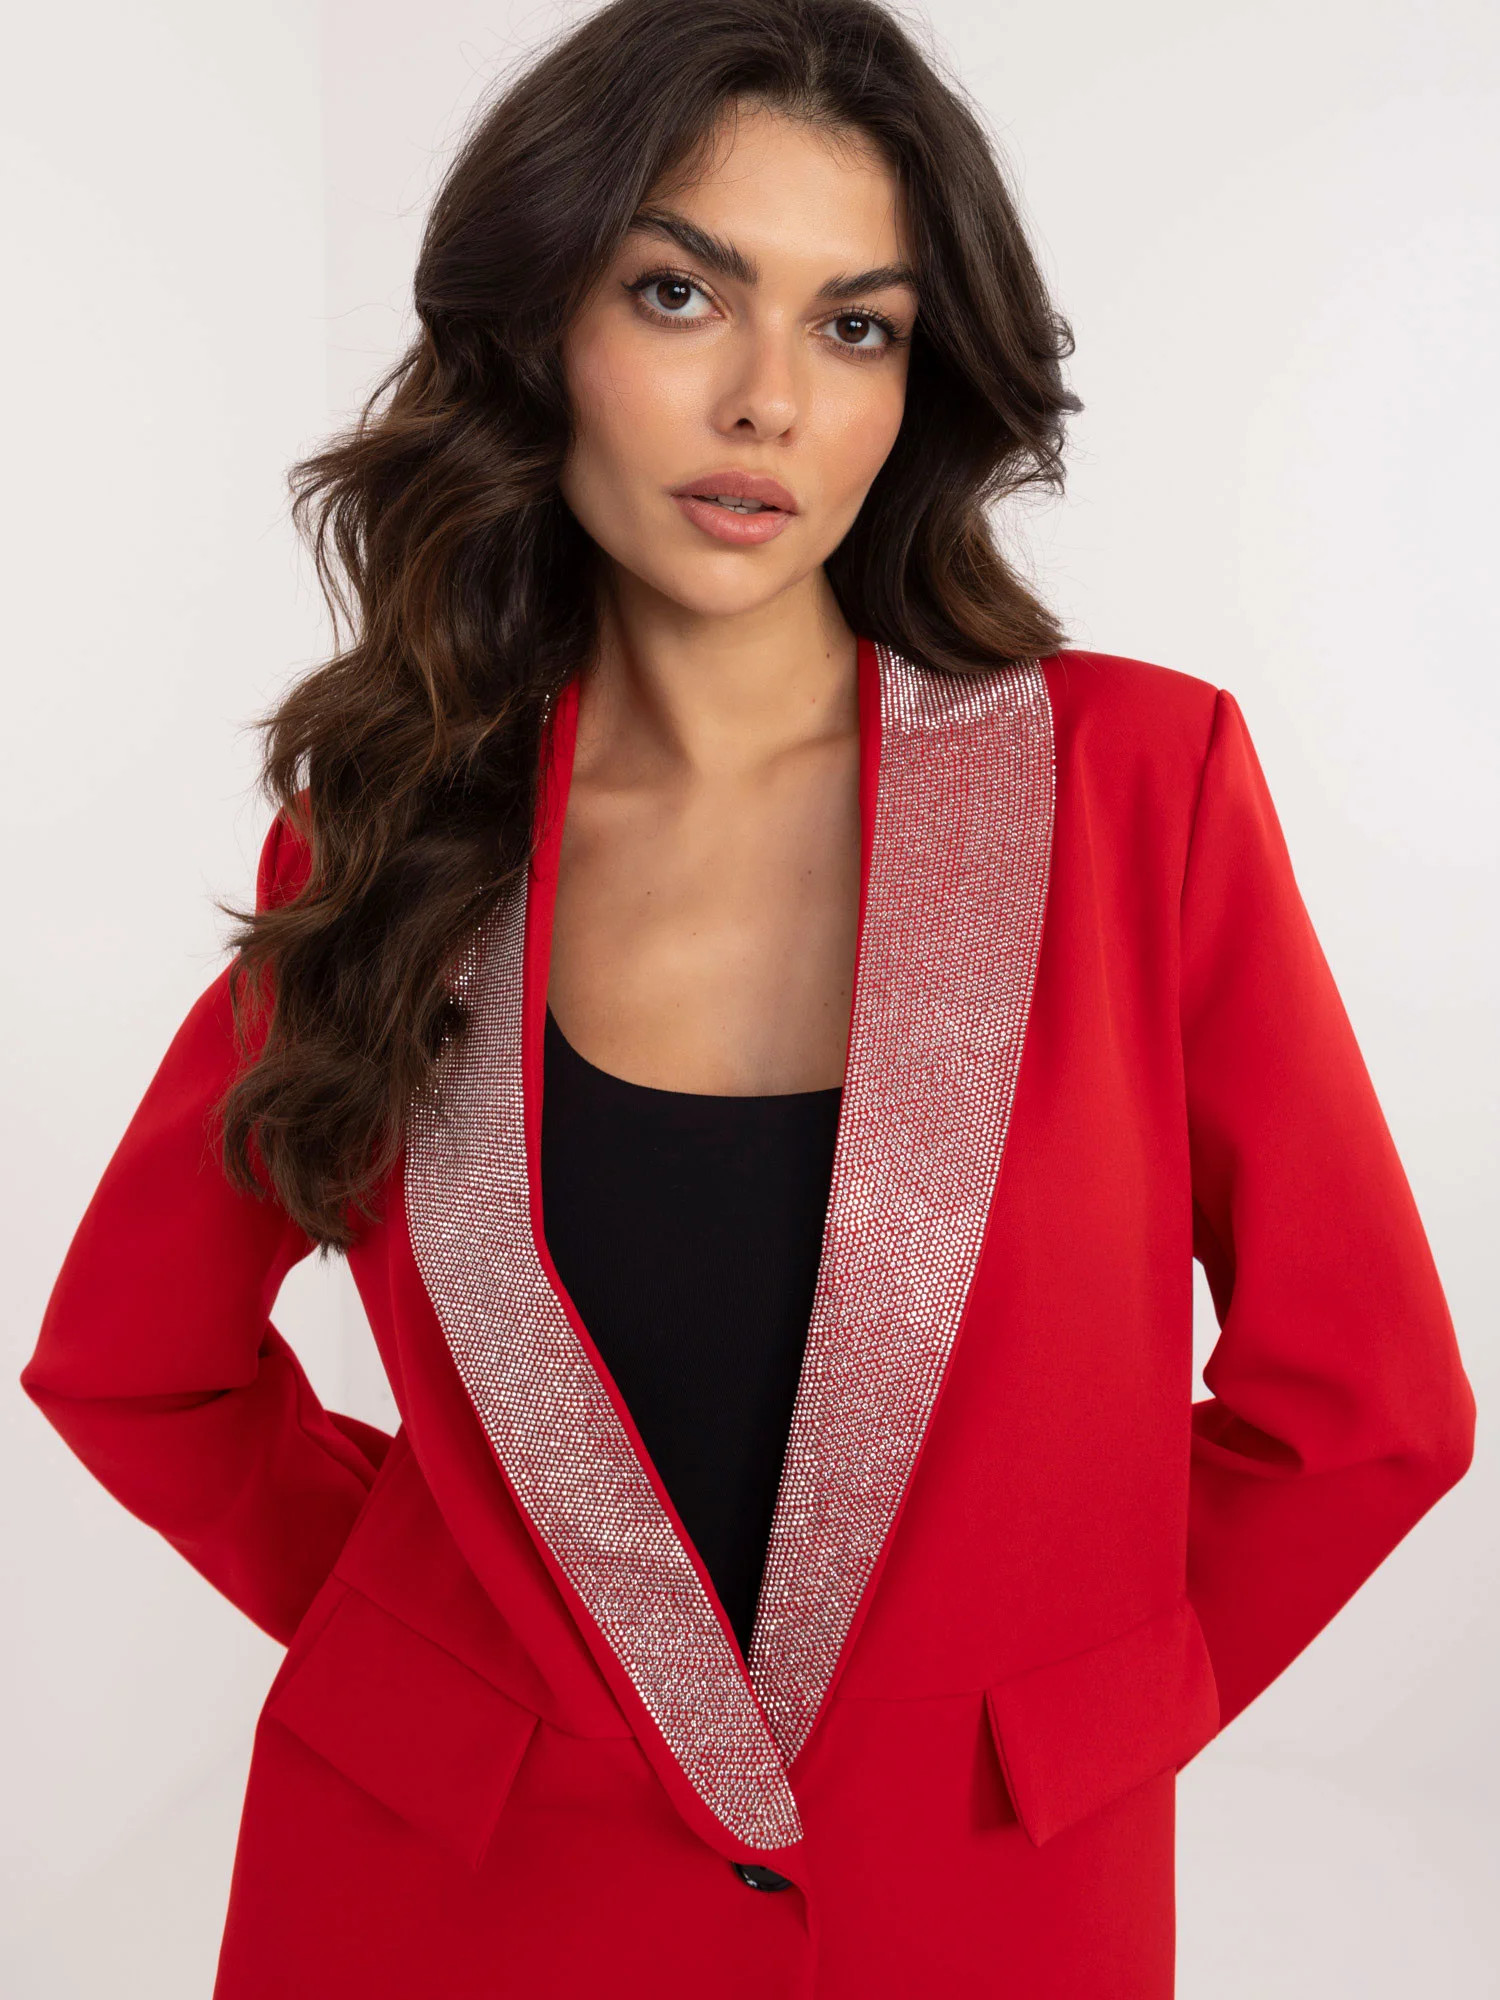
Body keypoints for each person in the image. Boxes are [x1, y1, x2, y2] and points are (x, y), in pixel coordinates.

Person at [21, 0, 1477, 1993]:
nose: (768, 401)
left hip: (973, 1908)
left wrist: (1084, 1717)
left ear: (919, 382)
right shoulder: (391, 839)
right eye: (681, 293)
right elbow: (135, 1365)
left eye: (855, 325)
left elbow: (1370, 1408)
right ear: (543, 329)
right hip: (441, 1909)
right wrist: (442, 1656)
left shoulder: (1141, 792)